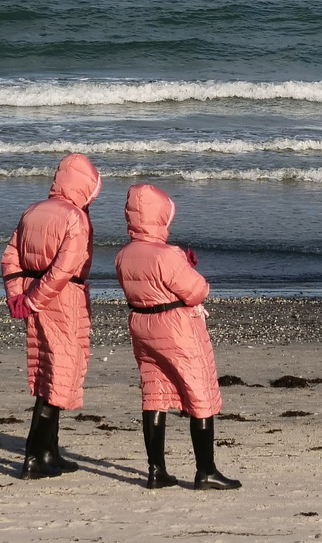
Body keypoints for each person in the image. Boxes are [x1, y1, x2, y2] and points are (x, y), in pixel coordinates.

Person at [114, 183, 240, 490]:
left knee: (153, 393)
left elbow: (145, 286)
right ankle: (206, 470)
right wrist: (185, 265)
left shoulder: (124, 255)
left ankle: (156, 470)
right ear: (160, 217)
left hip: (141, 325)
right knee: (200, 394)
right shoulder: (167, 254)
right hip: (176, 326)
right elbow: (198, 290)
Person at [1, 153, 102, 480]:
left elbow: (10, 256)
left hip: (37, 292)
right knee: (59, 372)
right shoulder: (76, 219)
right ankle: (34, 456)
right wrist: (31, 300)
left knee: (50, 369)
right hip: (62, 298)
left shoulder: (32, 211)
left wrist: (18, 295)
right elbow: (63, 270)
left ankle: (50, 451)